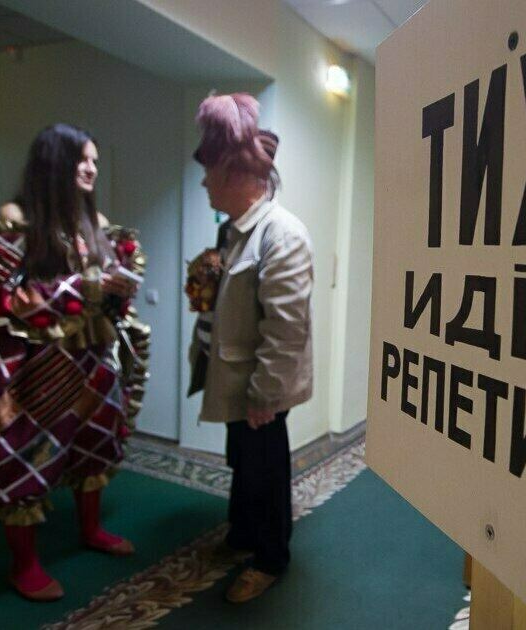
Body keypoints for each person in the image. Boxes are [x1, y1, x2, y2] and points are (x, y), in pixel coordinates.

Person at [0, 123, 149, 601]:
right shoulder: (18, 217)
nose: (91, 169)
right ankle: (23, 564)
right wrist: (87, 287)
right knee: (24, 452)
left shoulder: (96, 220)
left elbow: (103, 289)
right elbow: (13, 296)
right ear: (55, 162)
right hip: (40, 359)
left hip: (94, 352)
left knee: (96, 441)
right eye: (82, 159)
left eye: (95, 161)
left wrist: (117, 289)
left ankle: (91, 530)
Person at [186, 93, 313, 604]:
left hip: (260, 386)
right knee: (242, 460)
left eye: (209, 173)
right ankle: (242, 534)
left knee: (266, 470)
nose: (203, 183)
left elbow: (286, 329)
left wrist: (266, 394)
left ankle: (270, 557)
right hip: (234, 377)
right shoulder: (233, 230)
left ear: (236, 174)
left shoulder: (283, 234)